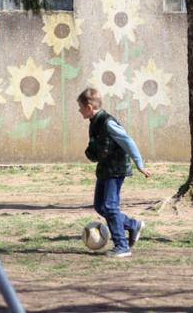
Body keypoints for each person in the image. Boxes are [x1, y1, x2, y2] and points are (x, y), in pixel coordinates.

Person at [78, 87, 151, 258]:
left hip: (116, 170)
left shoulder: (108, 122)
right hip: (104, 169)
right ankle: (133, 225)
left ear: (89, 107)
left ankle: (122, 246)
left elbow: (127, 141)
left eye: (80, 107)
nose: (79, 110)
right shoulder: (94, 122)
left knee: (110, 207)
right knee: (100, 206)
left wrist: (139, 163)